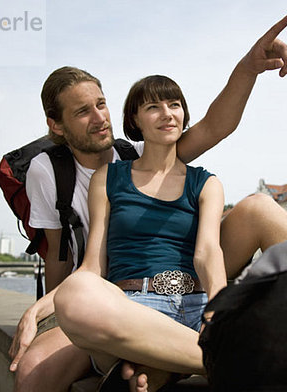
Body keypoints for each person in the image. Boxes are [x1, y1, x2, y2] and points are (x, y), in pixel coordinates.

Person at [9, 12, 287, 391]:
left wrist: (248, 67)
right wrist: (41, 310)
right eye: (83, 111)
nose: (99, 118)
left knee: (261, 206)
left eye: (101, 104)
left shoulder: (154, 158)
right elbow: (64, 259)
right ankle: (213, 359)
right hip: (123, 297)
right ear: (57, 124)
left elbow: (216, 127)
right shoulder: (55, 173)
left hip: (190, 290)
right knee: (41, 355)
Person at [54, 74, 225, 391]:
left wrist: (219, 309)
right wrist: (49, 302)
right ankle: (224, 361)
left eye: (174, 104)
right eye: (153, 106)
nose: (167, 113)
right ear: (135, 120)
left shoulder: (206, 182)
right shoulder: (108, 178)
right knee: (74, 294)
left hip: (196, 306)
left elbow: (208, 252)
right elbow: (93, 264)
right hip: (135, 310)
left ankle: (164, 365)